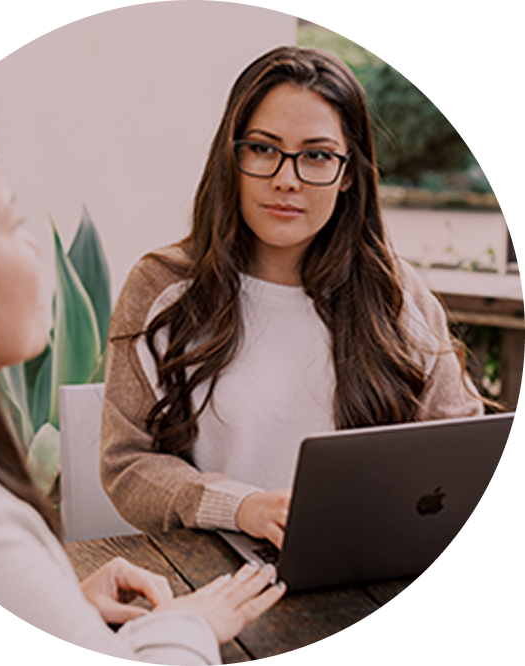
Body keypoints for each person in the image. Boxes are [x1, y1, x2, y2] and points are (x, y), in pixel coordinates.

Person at [0, 106, 286, 666]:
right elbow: (130, 462)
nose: (36, 247)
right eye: (12, 224)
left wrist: (53, 608)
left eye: (319, 155)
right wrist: (186, 626)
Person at [100, 46, 484, 551]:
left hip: (371, 572)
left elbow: (463, 447)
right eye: (263, 148)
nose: (287, 178)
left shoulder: (397, 294)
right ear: (231, 158)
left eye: (317, 156)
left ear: (348, 173)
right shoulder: (162, 288)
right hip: (216, 577)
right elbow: (128, 464)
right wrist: (241, 506)